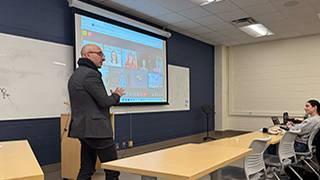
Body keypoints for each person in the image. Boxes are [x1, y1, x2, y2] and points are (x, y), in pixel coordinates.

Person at [68, 44, 125, 180]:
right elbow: (104, 102)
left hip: (84, 130)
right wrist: (116, 95)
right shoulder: (90, 75)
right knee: (113, 170)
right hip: (97, 131)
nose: (103, 58)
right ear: (87, 55)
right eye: (100, 54)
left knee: (86, 169)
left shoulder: (76, 75)